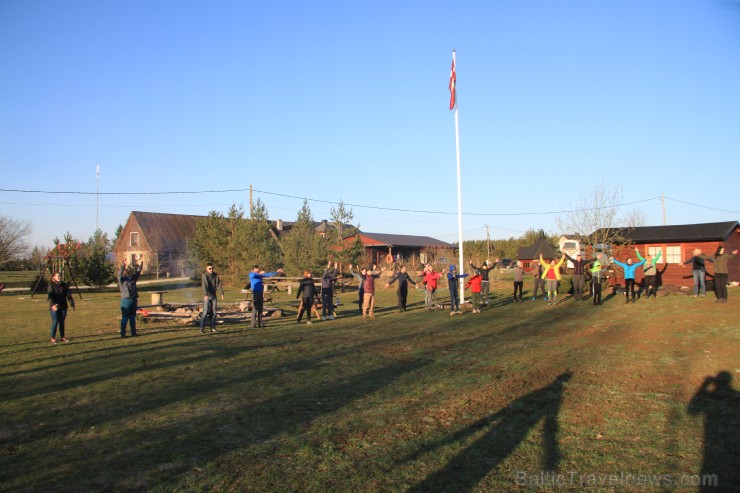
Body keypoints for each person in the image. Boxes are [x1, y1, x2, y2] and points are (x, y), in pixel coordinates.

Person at [47, 271, 75, 344]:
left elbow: (69, 295)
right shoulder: (51, 285)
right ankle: (53, 338)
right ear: (53, 277)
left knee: (62, 322)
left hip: (63, 306)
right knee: (55, 321)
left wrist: (72, 304)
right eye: (57, 276)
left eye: (60, 276)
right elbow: (51, 295)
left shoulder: (64, 285)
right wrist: (53, 305)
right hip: (54, 306)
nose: (59, 277)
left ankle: (63, 337)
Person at [118, 258, 142, 337]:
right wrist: (123, 266)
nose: (130, 274)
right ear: (125, 273)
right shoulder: (122, 281)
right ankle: (123, 334)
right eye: (128, 272)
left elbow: (138, 273)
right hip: (126, 301)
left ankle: (133, 333)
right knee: (125, 318)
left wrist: (140, 264)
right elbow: (119, 275)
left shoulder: (132, 280)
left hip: (133, 300)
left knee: (132, 317)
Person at [200, 263, 224, 333]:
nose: (211, 270)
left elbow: (219, 284)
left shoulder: (215, 275)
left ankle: (213, 327)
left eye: (212, 268)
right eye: (209, 268)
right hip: (207, 296)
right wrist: (205, 295)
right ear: (206, 269)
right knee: (205, 312)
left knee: (214, 313)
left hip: (214, 295)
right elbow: (204, 286)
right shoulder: (204, 276)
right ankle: (202, 328)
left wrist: (221, 293)